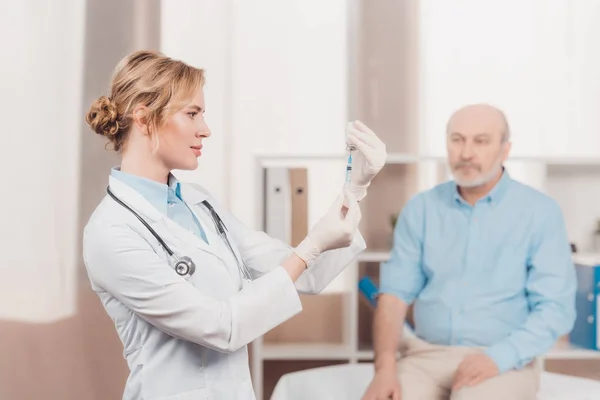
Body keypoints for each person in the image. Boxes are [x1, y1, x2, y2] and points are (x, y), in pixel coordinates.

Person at [82, 50, 387, 400]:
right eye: (192, 113)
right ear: (144, 118)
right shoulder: (111, 232)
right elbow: (222, 328)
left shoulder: (200, 203)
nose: (205, 129)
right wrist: (309, 248)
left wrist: (355, 188)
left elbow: (304, 274)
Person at [362, 104, 576, 400]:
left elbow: (556, 308)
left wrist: (499, 357)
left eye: (481, 141)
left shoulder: (540, 212)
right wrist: (383, 368)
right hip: (424, 356)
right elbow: (394, 296)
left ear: (505, 149)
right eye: (457, 139)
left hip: (502, 361)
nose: (466, 153)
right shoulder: (421, 209)